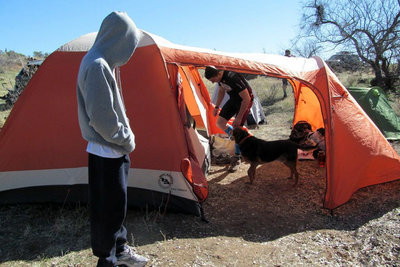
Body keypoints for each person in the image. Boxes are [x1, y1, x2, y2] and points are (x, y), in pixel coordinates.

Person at [77, 11, 148, 267]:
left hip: (111, 150)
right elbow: (102, 119)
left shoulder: (103, 62)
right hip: (108, 150)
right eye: (129, 42)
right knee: (107, 212)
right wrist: (126, 140)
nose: (130, 49)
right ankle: (107, 261)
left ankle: (120, 251)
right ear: (119, 38)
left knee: (115, 208)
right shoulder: (97, 65)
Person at [204, 66, 253, 172]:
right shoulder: (220, 78)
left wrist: (239, 118)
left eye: (213, 80)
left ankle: (237, 157)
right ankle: (235, 137)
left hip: (245, 101)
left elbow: (247, 98)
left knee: (237, 128)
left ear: (219, 74)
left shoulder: (232, 77)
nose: (212, 83)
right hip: (234, 99)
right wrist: (217, 107)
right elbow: (221, 90)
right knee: (220, 123)